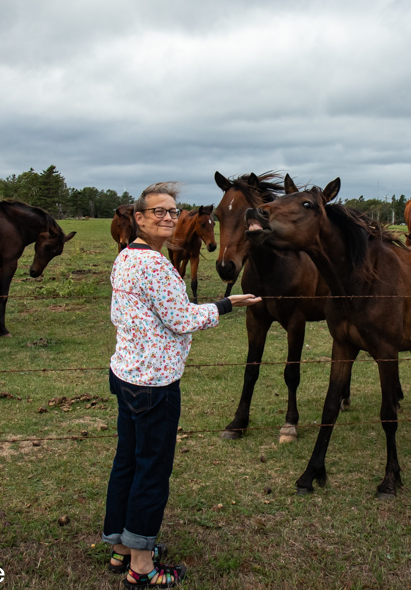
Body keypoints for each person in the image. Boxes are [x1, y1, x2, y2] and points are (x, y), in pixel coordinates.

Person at [102, 182, 260, 588]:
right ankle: (141, 566)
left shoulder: (126, 257)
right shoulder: (155, 265)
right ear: (138, 218)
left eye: (173, 211)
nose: (169, 217)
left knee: (128, 462)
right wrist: (227, 304)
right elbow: (183, 319)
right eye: (159, 212)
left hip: (126, 375)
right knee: (151, 471)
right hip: (154, 384)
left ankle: (121, 548)